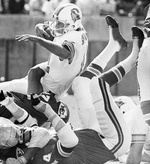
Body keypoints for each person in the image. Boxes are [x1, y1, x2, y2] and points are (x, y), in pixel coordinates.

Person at [2, 15, 143, 164]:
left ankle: (114, 45)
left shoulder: (22, 148)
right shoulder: (45, 157)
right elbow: (69, 142)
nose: (6, 130)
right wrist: (47, 110)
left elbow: (34, 127)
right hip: (111, 142)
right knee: (98, 85)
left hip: (92, 132)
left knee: (80, 83)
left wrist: (5, 101)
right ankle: (134, 57)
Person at [0, 3, 88, 100]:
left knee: (8, 87)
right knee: (33, 73)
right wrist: (39, 26)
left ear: (71, 24)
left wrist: (39, 40)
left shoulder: (74, 38)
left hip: (51, 87)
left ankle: (36, 105)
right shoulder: (77, 30)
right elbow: (48, 29)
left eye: (60, 23)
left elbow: (65, 53)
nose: (56, 25)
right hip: (55, 76)